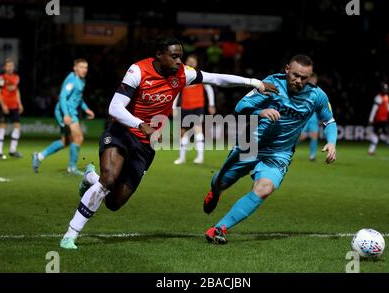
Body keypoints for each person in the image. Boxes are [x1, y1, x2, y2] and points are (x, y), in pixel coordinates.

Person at [59, 36, 278, 249]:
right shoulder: (138, 71)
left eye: (180, 57)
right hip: (121, 132)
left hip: (145, 144)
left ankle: (90, 178)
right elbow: (114, 107)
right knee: (108, 178)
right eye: (174, 56)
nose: (179, 61)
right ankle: (70, 235)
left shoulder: (183, 74)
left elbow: (216, 78)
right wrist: (139, 124)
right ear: (159, 55)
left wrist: (254, 82)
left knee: (114, 203)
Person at [203, 55, 337, 244]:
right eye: (296, 75)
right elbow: (240, 107)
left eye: (304, 78)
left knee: (264, 189)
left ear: (310, 77)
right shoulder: (269, 85)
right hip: (251, 145)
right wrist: (261, 111)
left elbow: (329, 121)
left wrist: (332, 142)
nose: (299, 81)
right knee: (221, 183)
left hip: (279, 154)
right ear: (287, 69)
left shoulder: (317, 95)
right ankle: (216, 190)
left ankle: (219, 228)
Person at [32, 59, 95, 175]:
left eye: (86, 67)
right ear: (75, 68)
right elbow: (62, 97)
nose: (84, 70)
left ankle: (39, 156)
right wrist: (66, 114)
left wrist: (86, 109)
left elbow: (78, 98)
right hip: (66, 112)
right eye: (81, 67)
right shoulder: (72, 80)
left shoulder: (82, 80)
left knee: (65, 142)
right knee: (78, 138)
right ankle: (72, 168)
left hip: (69, 111)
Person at [173, 54, 216, 165]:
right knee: (183, 132)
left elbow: (209, 88)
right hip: (185, 107)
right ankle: (181, 157)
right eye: (189, 61)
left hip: (198, 106)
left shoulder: (199, 75)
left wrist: (211, 104)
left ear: (196, 63)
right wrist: (173, 107)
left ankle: (200, 157)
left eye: (193, 61)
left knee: (198, 129)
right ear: (186, 62)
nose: (191, 63)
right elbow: (176, 92)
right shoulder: (183, 76)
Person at [0, 58, 24, 160]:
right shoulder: (1, 78)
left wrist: (20, 104)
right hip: (5, 106)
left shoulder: (17, 77)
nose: (10, 67)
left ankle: (12, 150)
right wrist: (3, 105)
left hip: (14, 106)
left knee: (17, 127)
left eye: (11, 66)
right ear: (4, 67)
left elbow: (16, 91)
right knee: (2, 127)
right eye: (8, 66)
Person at [367, 82, 389, 156]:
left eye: (386, 89)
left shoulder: (386, 97)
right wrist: (371, 119)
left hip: (384, 120)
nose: (386, 90)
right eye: (384, 89)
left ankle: (371, 151)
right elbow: (374, 109)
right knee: (383, 135)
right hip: (379, 120)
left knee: (379, 135)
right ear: (381, 89)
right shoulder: (378, 97)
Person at [299, 73, 319, 161]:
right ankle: (288, 149)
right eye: (312, 80)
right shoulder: (302, 89)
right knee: (302, 136)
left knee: (314, 135)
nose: (313, 81)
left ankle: (312, 156)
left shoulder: (318, 91)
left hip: (313, 115)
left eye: (314, 80)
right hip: (304, 114)